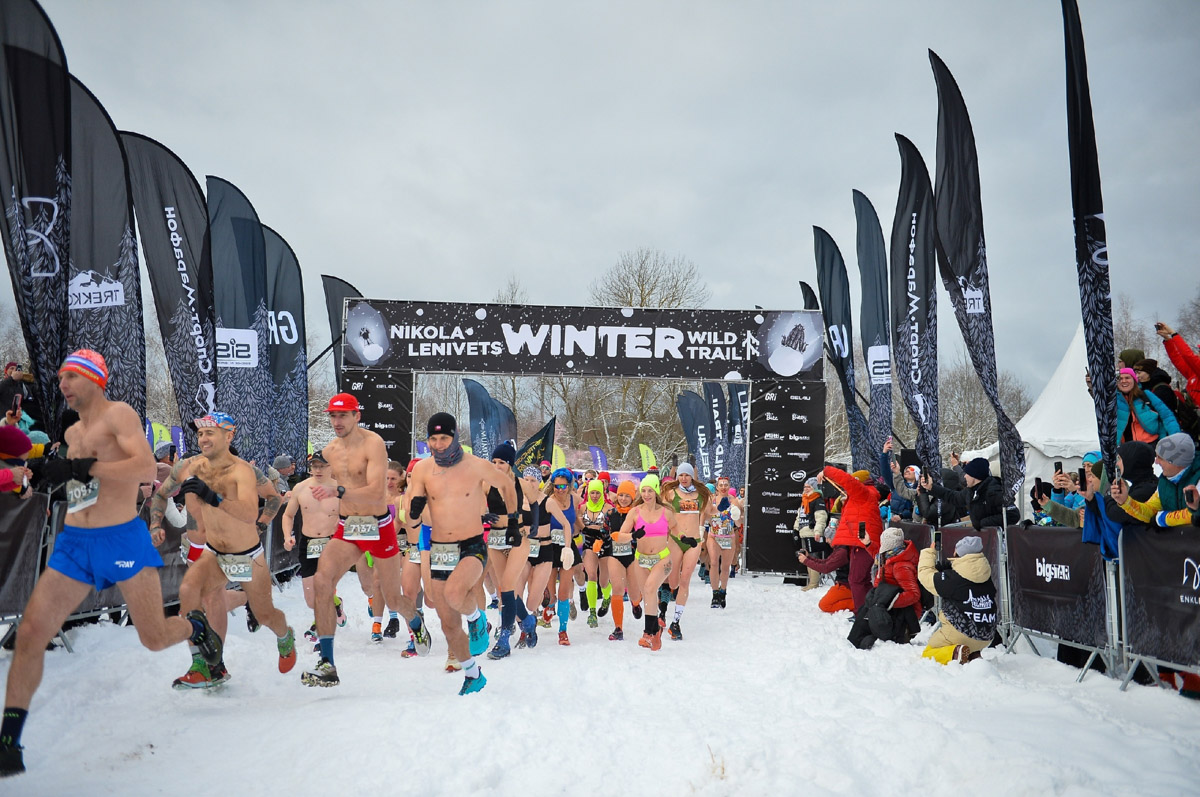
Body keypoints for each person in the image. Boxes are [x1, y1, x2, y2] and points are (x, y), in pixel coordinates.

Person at [1, 351, 221, 777]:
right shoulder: (73, 430)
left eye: (71, 376)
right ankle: (10, 739)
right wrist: (52, 473)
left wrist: (84, 466)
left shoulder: (118, 414)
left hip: (121, 539)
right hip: (75, 544)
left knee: (153, 638)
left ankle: (196, 626)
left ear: (95, 380)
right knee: (30, 632)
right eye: (60, 376)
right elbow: (78, 480)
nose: (62, 383)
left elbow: (142, 468)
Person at [301, 394, 431, 687]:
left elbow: (374, 492)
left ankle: (415, 623)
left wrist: (339, 492)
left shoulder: (373, 443)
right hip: (348, 526)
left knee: (392, 596)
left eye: (343, 415)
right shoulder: (330, 451)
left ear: (356, 416)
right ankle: (328, 663)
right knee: (323, 581)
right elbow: (314, 481)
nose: (337, 422)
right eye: (333, 417)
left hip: (378, 525)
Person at [168, 412, 296, 688]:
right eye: (200, 434)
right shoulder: (191, 467)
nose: (203, 439)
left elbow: (271, 498)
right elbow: (161, 490)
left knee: (265, 614)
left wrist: (262, 523)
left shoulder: (244, 472)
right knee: (201, 599)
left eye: (209, 433)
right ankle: (209, 665)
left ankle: (284, 634)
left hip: (246, 553)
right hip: (210, 549)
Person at [405, 413, 516, 695]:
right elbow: (414, 499)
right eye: (433, 438)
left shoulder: (476, 466)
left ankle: (477, 618)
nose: (439, 444)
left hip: (471, 544)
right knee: (446, 621)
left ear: (455, 437)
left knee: (456, 594)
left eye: (444, 438)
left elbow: (506, 484)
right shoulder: (422, 469)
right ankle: (473, 673)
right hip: (440, 547)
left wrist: (513, 521)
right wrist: (414, 510)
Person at [281, 450, 341, 643]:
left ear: (331, 467)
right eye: (314, 466)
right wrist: (287, 536)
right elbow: (288, 515)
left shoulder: (340, 489)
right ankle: (335, 605)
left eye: (322, 466)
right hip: (308, 543)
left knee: (324, 588)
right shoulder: (300, 488)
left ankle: (320, 625)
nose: (318, 469)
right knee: (310, 599)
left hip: (332, 543)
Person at [616, 474, 677, 650]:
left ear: (656, 491)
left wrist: (687, 539)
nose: (647, 494)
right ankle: (655, 631)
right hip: (640, 559)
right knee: (648, 595)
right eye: (643, 490)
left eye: (650, 490)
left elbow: (676, 529)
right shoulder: (635, 512)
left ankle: (648, 633)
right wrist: (633, 536)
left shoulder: (666, 512)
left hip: (662, 558)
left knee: (650, 588)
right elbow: (620, 536)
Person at [917, 536, 997, 665]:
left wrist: (930, 552)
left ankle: (956, 652)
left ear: (956, 552)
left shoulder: (952, 579)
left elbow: (925, 575)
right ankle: (973, 654)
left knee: (929, 654)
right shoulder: (986, 576)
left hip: (959, 633)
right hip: (986, 635)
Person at [658, 463, 711, 639]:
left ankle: (676, 622)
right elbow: (660, 511)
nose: (684, 478)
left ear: (692, 476)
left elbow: (711, 511)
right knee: (673, 582)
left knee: (685, 580)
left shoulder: (701, 494)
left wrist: (726, 508)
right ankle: (662, 609)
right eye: (681, 475)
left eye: (687, 475)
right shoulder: (671, 493)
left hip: (694, 542)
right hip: (676, 539)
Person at [818, 466, 882, 611]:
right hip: (858, 541)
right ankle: (869, 611)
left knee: (856, 580)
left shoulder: (863, 492)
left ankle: (862, 614)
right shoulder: (862, 496)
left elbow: (847, 480)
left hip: (863, 542)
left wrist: (827, 471)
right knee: (862, 580)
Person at [847, 527, 921, 650]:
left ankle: (866, 640)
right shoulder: (891, 555)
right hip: (886, 601)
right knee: (865, 611)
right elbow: (879, 557)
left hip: (900, 611)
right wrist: (868, 544)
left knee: (868, 615)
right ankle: (863, 640)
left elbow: (914, 594)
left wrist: (887, 602)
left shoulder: (901, 566)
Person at [1111, 433, 1200, 529]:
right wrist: (1126, 501)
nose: (1156, 462)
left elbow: (1193, 515)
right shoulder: (1165, 481)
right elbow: (1150, 512)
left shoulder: (1197, 480)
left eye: (1160, 458)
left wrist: (1164, 519)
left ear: (1176, 462)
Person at [601, 480, 643, 640]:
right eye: (621, 495)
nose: (624, 499)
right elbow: (604, 532)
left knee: (633, 592)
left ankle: (636, 603)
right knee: (617, 589)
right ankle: (618, 628)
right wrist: (600, 542)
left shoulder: (637, 513)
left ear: (633, 497)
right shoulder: (611, 514)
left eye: (627, 495)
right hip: (615, 555)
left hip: (633, 555)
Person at [926, 458, 1005, 531]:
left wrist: (983, 523)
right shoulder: (970, 491)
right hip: (983, 537)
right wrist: (931, 487)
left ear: (975, 476)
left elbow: (1012, 514)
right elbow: (953, 497)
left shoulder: (994, 491)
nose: (965, 476)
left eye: (967, 473)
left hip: (997, 539)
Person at [1115, 367, 1179, 446]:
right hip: (1126, 448)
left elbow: (1167, 415)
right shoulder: (1113, 400)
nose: (1123, 381)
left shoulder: (1146, 395)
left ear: (1134, 380)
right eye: (1120, 379)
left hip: (1152, 444)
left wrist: (1176, 437)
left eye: (1127, 378)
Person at [580, 478, 611, 629]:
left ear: (602, 493)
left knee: (603, 581)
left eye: (597, 493)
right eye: (592, 492)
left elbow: (614, 529)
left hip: (605, 546)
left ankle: (606, 598)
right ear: (587, 492)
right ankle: (592, 612)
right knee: (591, 575)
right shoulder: (582, 508)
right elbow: (578, 525)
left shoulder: (608, 508)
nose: (594, 496)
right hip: (589, 545)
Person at [705, 477, 740, 606]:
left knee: (725, 567)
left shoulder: (734, 501)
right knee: (714, 563)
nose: (724, 487)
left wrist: (737, 517)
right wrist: (701, 527)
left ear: (729, 486)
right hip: (714, 536)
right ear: (717, 487)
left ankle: (723, 591)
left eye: (726, 485)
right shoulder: (712, 500)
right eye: (721, 485)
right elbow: (706, 514)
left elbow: (739, 522)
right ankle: (714, 593)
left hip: (728, 537)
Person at [791, 477, 828, 591]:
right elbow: (799, 516)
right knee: (806, 557)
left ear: (815, 488)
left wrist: (818, 532)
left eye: (809, 487)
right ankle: (811, 582)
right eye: (805, 487)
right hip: (803, 532)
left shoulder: (817, 500)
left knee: (813, 557)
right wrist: (795, 529)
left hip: (812, 533)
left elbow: (821, 517)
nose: (806, 489)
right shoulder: (804, 500)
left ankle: (814, 583)